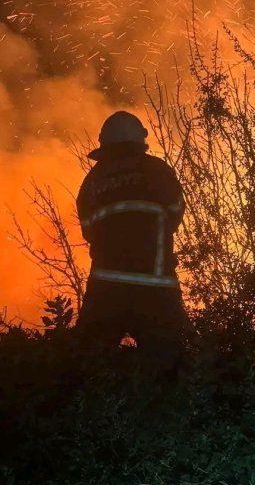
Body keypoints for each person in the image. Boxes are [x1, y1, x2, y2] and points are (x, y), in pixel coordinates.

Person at [75, 110, 187, 374]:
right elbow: (175, 211)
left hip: (106, 286)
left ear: (105, 144)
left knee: (88, 365)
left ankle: (91, 412)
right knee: (167, 367)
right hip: (156, 286)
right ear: (140, 141)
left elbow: (88, 229)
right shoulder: (157, 171)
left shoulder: (93, 180)